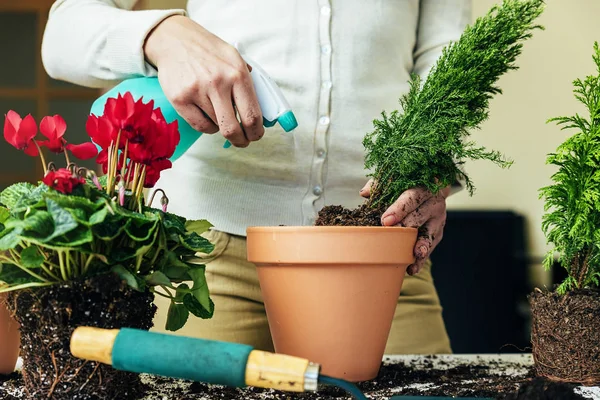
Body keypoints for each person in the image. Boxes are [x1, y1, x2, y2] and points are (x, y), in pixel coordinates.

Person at [41, 0, 470, 354]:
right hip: (211, 262)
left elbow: (448, 59)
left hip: (381, 252)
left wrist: (433, 163)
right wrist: (165, 34)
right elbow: (62, 36)